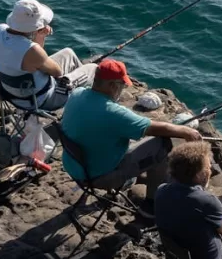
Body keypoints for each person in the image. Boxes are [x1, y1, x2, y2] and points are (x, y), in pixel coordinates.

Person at [60, 58, 201, 213]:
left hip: (74, 166)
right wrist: (187, 131)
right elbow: (155, 128)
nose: (123, 89)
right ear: (112, 85)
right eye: (122, 85)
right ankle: (151, 206)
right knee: (162, 144)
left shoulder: (77, 94)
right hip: (98, 176)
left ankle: (146, 181)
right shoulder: (114, 113)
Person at [0, 0, 96, 111]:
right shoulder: (32, 50)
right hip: (42, 100)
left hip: (11, 94)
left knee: (68, 53)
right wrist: (40, 35)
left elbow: (31, 56)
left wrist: (39, 35)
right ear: (35, 26)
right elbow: (57, 72)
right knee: (93, 68)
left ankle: (80, 97)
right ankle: (87, 105)